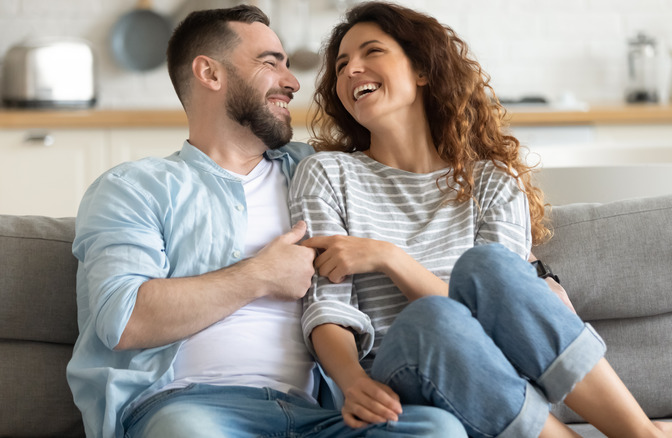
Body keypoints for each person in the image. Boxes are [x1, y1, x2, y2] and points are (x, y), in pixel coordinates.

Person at [288, 2, 672, 438]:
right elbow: (327, 306)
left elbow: (500, 310)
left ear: (422, 70)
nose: (352, 70)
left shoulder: (492, 181)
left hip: (497, 375)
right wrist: (352, 383)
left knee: (489, 267)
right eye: (341, 65)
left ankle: (640, 434)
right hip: (399, 373)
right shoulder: (327, 174)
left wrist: (391, 258)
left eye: (372, 52)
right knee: (433, 319)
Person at [66, 5, 465, 438]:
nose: (293, 82)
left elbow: (428, 220)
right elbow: (122, 320)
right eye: (271, 63)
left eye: (289, 67)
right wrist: (260, 275)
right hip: (190, 409)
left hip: (320, 416)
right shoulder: (134, 188)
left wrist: (536, 278)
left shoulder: (321, 174)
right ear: (210, 73)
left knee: (437, 429)